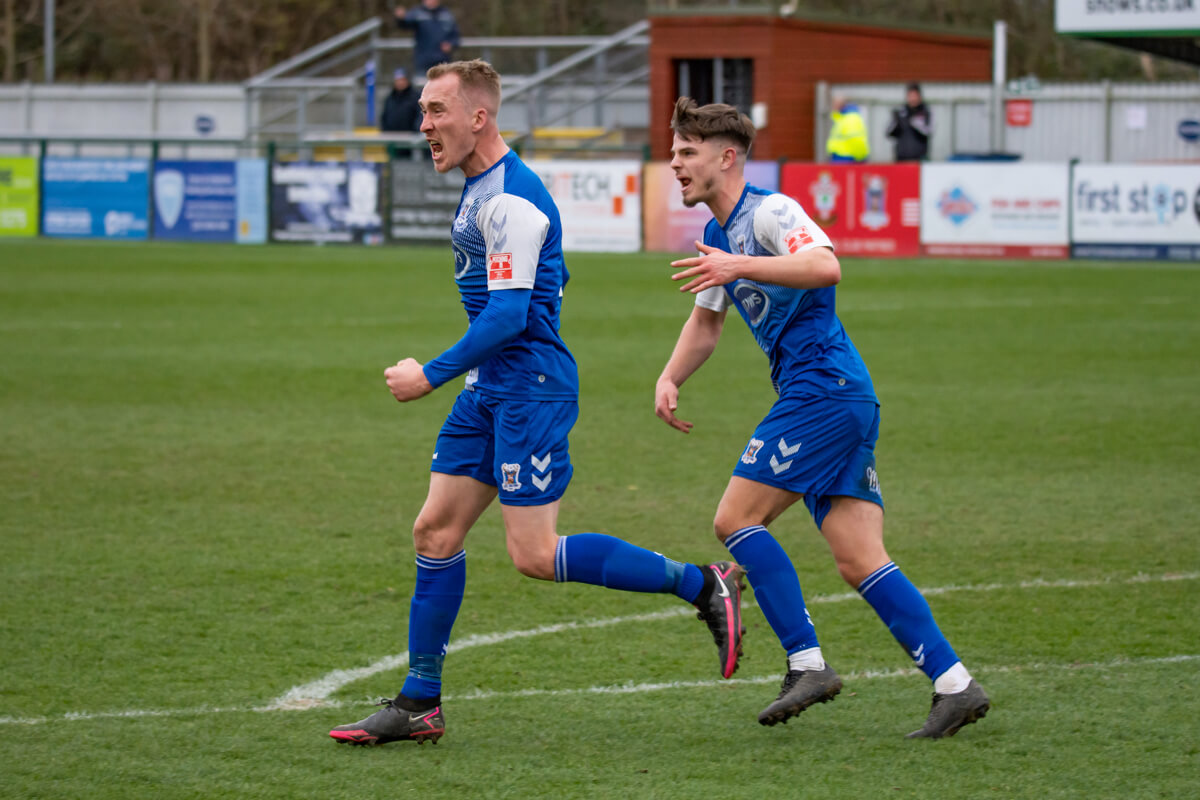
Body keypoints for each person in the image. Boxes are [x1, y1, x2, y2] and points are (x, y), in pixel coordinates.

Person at [328, 62, 746, 747]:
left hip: (531, 388)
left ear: (479, 118)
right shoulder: (480, 190)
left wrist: (428, 374)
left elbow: (510, 318)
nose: (424, 124)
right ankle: (418, 703)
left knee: (533, 553)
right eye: (426, 111)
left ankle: (702, 584)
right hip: (491, 387)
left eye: (437, 111)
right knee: (434, 533)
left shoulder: (512, 201)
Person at [655, 96, 990, 739]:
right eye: (674, 153)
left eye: (687, 153)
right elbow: (706, 321)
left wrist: (737, 264)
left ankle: (806, 664)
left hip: (823, 392)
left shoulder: (771, 212)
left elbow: (826, 264)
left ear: (727, 158)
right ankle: (955, 686)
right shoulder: (724, 239)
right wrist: (671, 376)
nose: (675, 164)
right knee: (860, 558)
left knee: (735, 518)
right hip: (838, 395)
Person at [394, 0, 460, 74]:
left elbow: (455, 36)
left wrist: (451, 44)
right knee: (423, 84)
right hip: (423, 60)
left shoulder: (446, 14)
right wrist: (400, 18)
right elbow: (405, 24)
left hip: (443, 61)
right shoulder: (417, 13)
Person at [886, 82, 933, 162]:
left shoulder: (926, 112)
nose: (912, 99)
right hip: (901, 159)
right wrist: (897, 121)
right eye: (910, 96)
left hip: (919, 160)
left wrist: (914, 121)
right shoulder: (901, 112)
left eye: (915, 96)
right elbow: (888, 133)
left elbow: (928, 132)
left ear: (919, 97)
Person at [826, 93, 869, 163]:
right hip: (839, 158)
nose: (832, 106)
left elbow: (856, 140)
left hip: (847, 160)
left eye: (834, 103)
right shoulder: (842, 118)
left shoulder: (851, 119)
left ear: (840, 105)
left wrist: (860, 159)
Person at [380, 68, 421, 133]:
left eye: (402, 80)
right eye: (397, 80)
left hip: (411, 139)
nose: (400, 82)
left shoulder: (416, 97)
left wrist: (415, 131)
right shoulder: (389, 98)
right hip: (391, 138)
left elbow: (419, 116)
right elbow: (384, 118)